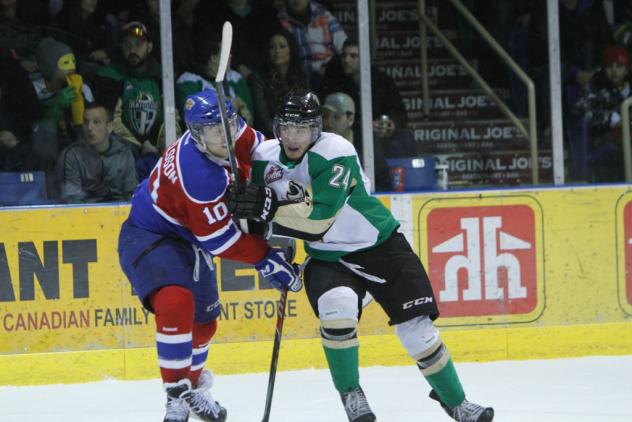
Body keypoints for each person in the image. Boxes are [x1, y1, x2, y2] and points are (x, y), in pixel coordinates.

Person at [226, 92, 494, 422]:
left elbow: (317, 222)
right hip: (328, 258)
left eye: (303, 129)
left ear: (317, 129)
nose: (293, 137)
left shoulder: (336, 152)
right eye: (287, 128)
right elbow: (259, 219)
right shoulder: (266, 158)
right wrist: (251, 218)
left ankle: (456, 402)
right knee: (336, 310)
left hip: (380, 246)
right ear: (277, 128)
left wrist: (267, 210)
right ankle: (352, 394)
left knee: (418, 332)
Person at [117, 89, 302, 422]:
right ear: (196, 135)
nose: (225, 134)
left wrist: (276, 193)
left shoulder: (234, 130)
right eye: (213, 130)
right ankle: (177, 395)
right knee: (176, 302)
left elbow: (263, 153)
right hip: (152, 233)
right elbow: (221, 242)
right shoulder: (198, 176)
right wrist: (265, 257)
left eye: (227, 124)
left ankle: (195, 388)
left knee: (204, 325)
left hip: (192, 237)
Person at [321, 37, 416, 159]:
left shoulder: (382, 80)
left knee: (405, 137)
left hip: (381, 135)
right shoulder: (335, 81)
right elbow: (334, 117)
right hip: (353, 133)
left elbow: (400, 112)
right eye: (344, 55)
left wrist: (391, 123)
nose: (346, 60)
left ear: (366, 58)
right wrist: (367, 126)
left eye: (353, 56)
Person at [57, 102, 137, 203]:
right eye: (86, 122)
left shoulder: (124, 153)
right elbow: (73, 201)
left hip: (119, 214)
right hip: (86, 215)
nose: (89, 128)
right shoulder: (72, 156)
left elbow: (131, 194)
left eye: (96, 122)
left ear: (110, 127)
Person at [574, 45, 632, 181]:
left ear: (627, 69)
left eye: (619, 66)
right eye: (609, 66)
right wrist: (610, 118)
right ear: (603, 69)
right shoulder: (595, 86)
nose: (614, 71)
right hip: (605, 138)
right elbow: (581, 113)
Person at [176, 26, 254, 126]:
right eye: (226, 52)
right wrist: (227, 107)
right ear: (213, 58)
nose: (230, 56)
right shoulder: (189, 81)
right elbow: (192, 117)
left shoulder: (235, 79)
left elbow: (249, 116)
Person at [247, 27, 311, 137]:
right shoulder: (257, 79)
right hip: (271, 137)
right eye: (272, 47)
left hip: (299, 136)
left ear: (291, 50)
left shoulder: (302, 75)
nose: (277, 51)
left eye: (282, 46)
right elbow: (264, 119)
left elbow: (307, 112)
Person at [322, 92, 391, 191]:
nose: (329, 121)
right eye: (326, 116)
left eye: (336, 116)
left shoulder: (366, 142)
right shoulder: (318, 144)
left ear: (350, 119)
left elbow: (384, 184)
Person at [277, 0, 347, 90]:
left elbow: (342, 45)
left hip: (329, 70)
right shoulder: (279, 20)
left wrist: (331, 67)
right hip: (300, 74)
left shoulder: (324, 14)